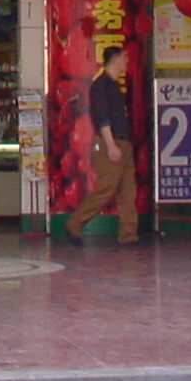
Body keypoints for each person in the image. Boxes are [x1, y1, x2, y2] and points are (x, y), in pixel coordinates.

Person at [63, 45, 139, 245]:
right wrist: (111, 145)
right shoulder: (101, 85)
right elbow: (102, 117)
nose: (127, 61)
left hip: (123, 142)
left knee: (127, 192)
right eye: (124, 57)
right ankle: (74, 225)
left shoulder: (113, 85)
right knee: (105, 189)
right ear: (115, 60)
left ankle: (129, 235)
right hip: (111, 143)